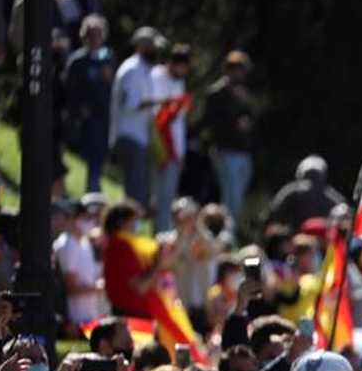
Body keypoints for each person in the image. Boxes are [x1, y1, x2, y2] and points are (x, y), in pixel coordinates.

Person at [109, 26, 161, 209]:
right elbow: (131, 103)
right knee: (134, 193)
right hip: (129, 135)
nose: (156, 50)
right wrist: (162, 102)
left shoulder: (144, 69)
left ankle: (131, 224)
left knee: (139, 192)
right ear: (141, 46)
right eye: (152, 46)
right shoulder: (132, 69)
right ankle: (127, 224)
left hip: (139, 137)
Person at [62, 13, 114, 193]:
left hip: (104, 117)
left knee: (99, 160)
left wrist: (109, 79)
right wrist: (79, 107)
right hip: (84, 119)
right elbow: (69, 89)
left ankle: (93, 192)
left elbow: (117, 87)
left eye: (98, 35)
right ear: (84, 36)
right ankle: (88, 193)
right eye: (91, 35)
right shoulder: (77, 60)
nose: (95, 39)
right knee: (88, 157)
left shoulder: (108, 58)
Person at [203, 50, 254, 224]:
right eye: (240, 70)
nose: (242, 74)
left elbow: (250, 118)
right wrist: (234, 125)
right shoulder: (216, 93)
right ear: (231, 70)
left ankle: (228, 230)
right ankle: (227, 233)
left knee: (237, 196)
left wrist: (245, 103)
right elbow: (210, 124)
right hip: (225, 151)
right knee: (232, 198)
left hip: (243, 151)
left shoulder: (242, 93)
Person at [159, 198, 224, 332]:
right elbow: (165, 264)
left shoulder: (203, 239)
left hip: (203, 307)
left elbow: (214, 252)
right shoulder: (165, 240)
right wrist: (182, 236)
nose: (186, 219)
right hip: (178, 306)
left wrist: (198, 227)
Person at [149, 43, 192, 232]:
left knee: (166, 198)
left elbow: (178, 120)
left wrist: (180, 153)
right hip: (158, 145)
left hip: (175, 150)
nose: (185, 71)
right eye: (183, 66)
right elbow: (158, 113)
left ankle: (160, 236)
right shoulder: (156, 76)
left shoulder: (180, 83)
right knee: (154, 195)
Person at [52, 198, 104, 327]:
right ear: (71, 219)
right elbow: (71, 288)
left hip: (89, 316)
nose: (90, 222)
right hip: (74, 319)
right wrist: (99, 287)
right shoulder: (67, 244)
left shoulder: (84, 242)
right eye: (85, 218)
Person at [264, 155, 347, 233]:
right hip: (323, 241)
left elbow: (272, 213)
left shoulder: (291, 190)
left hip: (296, 239)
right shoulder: (333, 196)